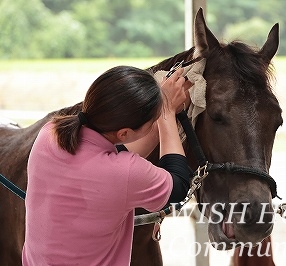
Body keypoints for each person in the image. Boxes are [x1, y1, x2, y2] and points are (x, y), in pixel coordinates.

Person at [22, 65, 193, 265]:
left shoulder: (50, 133)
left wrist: (162, 110)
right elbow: (178, 186)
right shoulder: (123, 172)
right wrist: (167, 114)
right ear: (124, 134)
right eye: (151, 121)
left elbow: (116, 166)